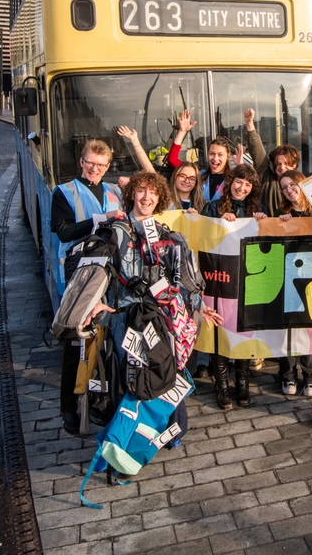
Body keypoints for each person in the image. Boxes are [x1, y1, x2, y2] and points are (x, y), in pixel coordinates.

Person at [91, 172, 224, 442]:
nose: (146, 197)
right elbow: (95, 271)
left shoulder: (167, 234)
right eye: (141, 191)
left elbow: (186, 278)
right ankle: (126, 436)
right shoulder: (115, 230)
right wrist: (94, 302)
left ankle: (167, 430)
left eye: (152, 193)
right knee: (129, 375)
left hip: (159, 317)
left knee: (163, 370)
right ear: (132, 195)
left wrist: (199, 307)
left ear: (160, 198)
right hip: (125, 316)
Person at [50, 139, 126, 434]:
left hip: (112, 274)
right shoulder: (64, 192)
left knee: (106, 339)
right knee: (75, 341)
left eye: (101, 165)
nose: (94, 169)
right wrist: (101, 219)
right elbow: (64, 231)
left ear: (108, 166)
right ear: (81, 162)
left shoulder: (115, 191)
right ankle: (68, 406)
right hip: (79, 276)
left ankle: (103, 397)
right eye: (90, 163)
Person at [201, 164, 266, 408]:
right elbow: (203, 241)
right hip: (219, 281)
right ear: (231, 182)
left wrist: (263, 221)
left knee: (243, 331)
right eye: (239, 181)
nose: (242, 188)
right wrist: (218, 221)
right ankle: (222, 386)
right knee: (218, 332)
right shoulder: (212, 206)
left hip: (247, 281)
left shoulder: (256, 208)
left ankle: (243, 383)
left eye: (248, 184)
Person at [275, 170, 312, 397]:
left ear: (303, 184)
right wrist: (279, 224)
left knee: (310, 328)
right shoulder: (281, 212)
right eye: (284, 187)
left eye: (293, 184)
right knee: (287, 329)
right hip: (287, 277)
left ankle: (311, 376)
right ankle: (287, 375)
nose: (289, 190)